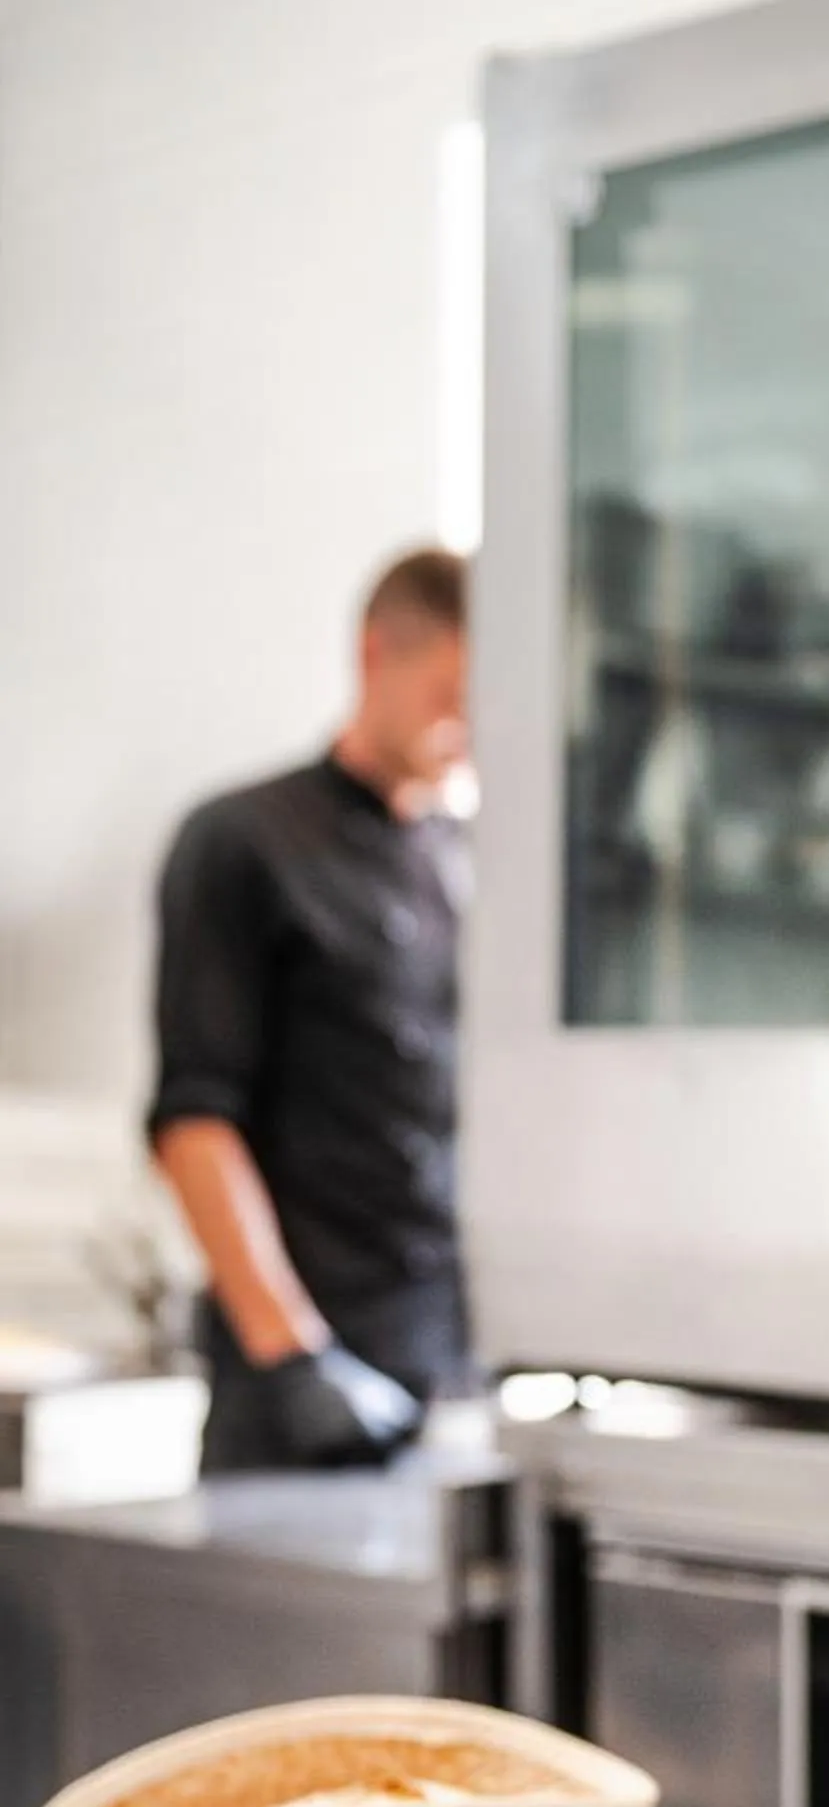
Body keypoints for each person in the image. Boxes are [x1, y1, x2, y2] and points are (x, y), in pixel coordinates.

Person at [148, 547, 474, 1474]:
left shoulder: (471, 861)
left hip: (451, 1374)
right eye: (453, 689)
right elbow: (195, 1120)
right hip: (299, 1386)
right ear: (378, 655)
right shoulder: (242, 841)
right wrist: (294, 1354)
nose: (470, 724)